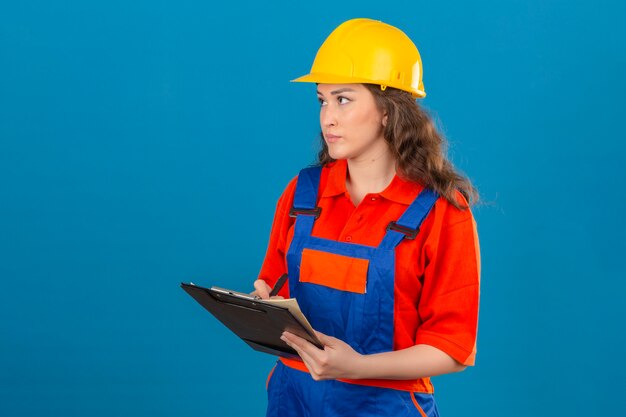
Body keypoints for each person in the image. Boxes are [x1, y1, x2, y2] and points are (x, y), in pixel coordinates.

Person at [252, 18, 480, 417]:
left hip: (383, 405)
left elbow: (453, 348)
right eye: (322, 100)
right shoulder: (302, 194)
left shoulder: (441, 212)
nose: (328, 118)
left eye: (344, 99)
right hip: (294, 398)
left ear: (389, 111)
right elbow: (274, 285)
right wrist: (260, 303)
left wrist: (357, 367)